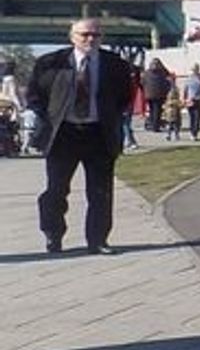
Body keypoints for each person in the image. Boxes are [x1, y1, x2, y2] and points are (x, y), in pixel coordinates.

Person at [27, 18, 135, 254]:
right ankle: (53, 234)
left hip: (99, 134)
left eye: (96, 35)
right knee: (56, 190)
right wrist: (49, 117)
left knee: (100, 192)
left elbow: (125, 96)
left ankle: (98, 241)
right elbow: (35, 94)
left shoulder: (115, 64)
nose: (90, 39)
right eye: (85, 34)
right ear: (72, 37)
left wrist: (110, 117)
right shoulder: (51, 63)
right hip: (63, 134)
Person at [141, 57, 171, 132]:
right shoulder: (162, 72)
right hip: (159, 94)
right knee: (157, 111)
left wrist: (145, 90)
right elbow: (168, 78)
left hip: (149, 94)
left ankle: (152, 124)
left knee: (152, 110)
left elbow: (142, 82)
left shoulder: (147, 73)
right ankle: (155, 127)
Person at [182, 63, 200, 140]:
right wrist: (185, 99)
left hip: (199, 99)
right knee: (192, 117)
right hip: (191, 100)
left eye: (196, 69)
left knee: (197, 117)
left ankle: (194, 133)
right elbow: (185, 90)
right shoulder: (189, 79)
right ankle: (192, 132)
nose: (195, 71)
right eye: (194, 69)